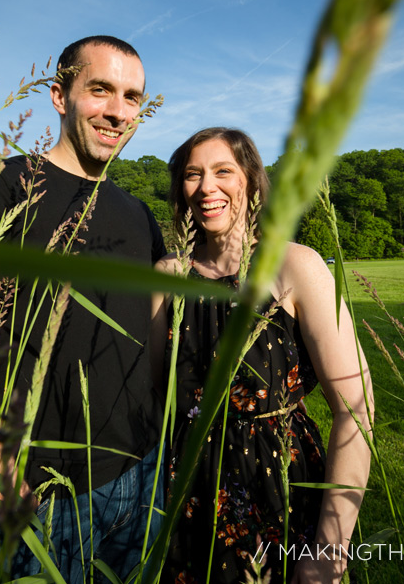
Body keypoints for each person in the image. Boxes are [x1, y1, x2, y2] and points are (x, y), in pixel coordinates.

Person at [0, 36, 166, 582]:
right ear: (60, 95)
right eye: (101, 90)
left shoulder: (139, 214)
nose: (117, 111)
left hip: (143, 476)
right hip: (45, 494)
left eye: (132, 97)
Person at [151, 127, 373, 583]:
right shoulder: (165, 276)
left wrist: (331, 547)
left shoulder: (295, 266)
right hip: (189, 492)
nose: (206, 187)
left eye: (222, 171)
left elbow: (357, 409)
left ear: (250, 182)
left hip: (280, 488)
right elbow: (158, 399)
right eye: (193, 174)